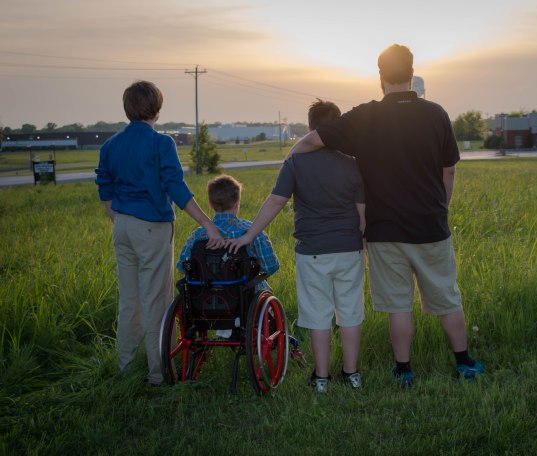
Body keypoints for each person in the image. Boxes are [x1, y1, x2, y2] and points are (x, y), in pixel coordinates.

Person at [288, 44, 484, 386]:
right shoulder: (436, 113)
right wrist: (441, 208)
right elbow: (449, 170)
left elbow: (309, 142)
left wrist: (292, 164)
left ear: (380, 76)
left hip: (384, 230)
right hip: (430, 226)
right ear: (412, 72)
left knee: (398, 305)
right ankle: (464, 362)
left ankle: (403, 370)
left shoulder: (365, 116)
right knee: (447, 297)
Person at [228, 99, 366, 393]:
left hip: (312, 251)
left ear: (310, 128)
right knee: (350, 313)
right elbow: (362, 212)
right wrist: (362, 245)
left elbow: (276, 201)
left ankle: (321, 378)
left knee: (318, 315)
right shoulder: (353, 163)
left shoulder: (296, 162)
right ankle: (352, 374)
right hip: (349, 248)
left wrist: (248, 236)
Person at [95, 80, 227, 386]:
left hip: (122, 226)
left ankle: (126, 368)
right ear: (157, 109)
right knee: (156, 301)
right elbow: (175, 187)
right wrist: (207, 224)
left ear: (127, 109)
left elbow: (104, 185)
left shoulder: (110, 145)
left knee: (129, 301)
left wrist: (116, 215)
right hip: (151, 227)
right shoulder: (161, 143)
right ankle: (159, 373)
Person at [177, 174, 279, 340]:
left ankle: (223, 330)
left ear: (210, 204)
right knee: (259, 284)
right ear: (237, 202)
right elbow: (271, 266)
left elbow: (182, 266)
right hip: (244, 298)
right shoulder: (251, 231)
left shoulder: (198, 235)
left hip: (203, 299)